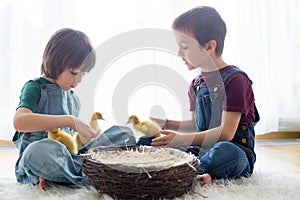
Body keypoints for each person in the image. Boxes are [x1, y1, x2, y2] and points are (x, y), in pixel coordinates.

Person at [12, 28, 136, 190]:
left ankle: (74, 175)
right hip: (41, 159)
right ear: (56, 62)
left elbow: (71, 145)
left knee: (122, 133)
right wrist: (69, 121)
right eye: (74, 72)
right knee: (38, 150)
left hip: (69, 159)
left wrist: (89, 138)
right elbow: (19, 122)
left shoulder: (73, 98)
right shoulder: (35, 87)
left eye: (83, 74)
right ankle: (89, 176)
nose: (79, 80)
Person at [151, 6, 259, 186]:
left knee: (226, 152)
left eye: (184, 47)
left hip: (235, 151)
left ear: (209, 47)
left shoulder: (235, 80)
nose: (179, 54)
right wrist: (167, 124)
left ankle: (181, 172)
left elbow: (226, 133)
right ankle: (197, 174)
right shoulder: (196, 84)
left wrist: (181, 139)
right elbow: (196, 124)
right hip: (200, 149)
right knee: (152, 142)